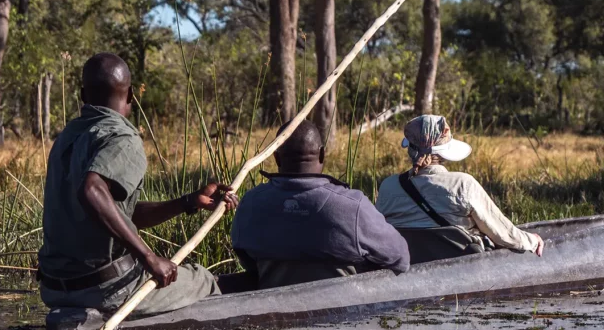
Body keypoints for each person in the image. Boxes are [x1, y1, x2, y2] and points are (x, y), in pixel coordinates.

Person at [38, 52, 238, 330]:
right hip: (102, 290)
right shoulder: (122, 137)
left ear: (83, 95)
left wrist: (188, 202)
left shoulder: (68, 136)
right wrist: (148, 257)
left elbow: (113, 213)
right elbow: (92, 192)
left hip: (55, 289)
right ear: (131, 94)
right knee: (204, 279)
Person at [230, 119, 409, 289]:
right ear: (322, 154)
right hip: (344, 315)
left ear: (276, 158)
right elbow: (401, 258)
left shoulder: (251, 203)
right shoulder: (353, 206)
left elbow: (247, 260)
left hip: (273, 314)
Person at [375, 115, 544, 264]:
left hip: (408, 266)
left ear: (410, 149)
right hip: (464, 270)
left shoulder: (388, 186)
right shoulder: (463, 184)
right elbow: (503, 234)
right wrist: (532, 241)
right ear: (443, 153)